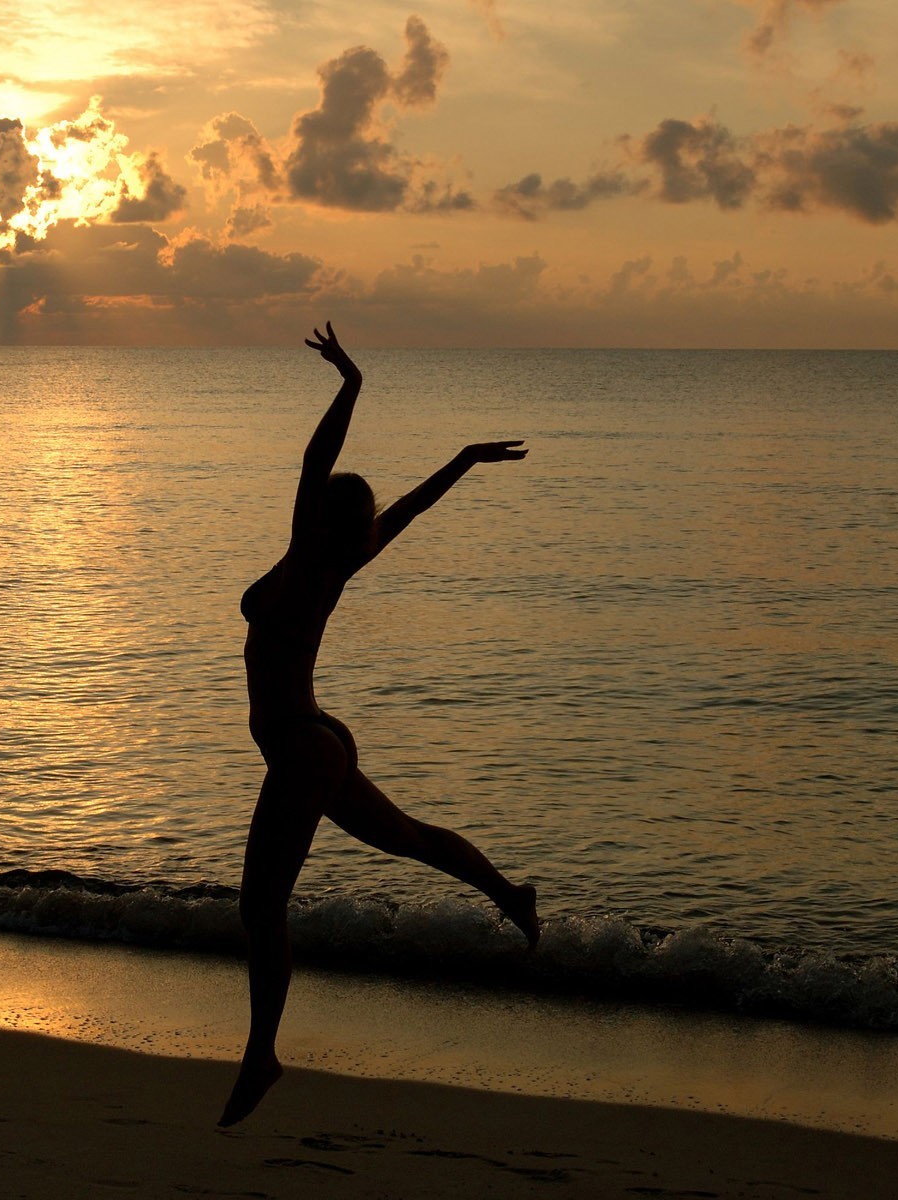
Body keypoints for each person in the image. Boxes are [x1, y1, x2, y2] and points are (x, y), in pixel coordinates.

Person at [220, 322, 540, 1128]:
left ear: (320, 517)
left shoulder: (307, 556)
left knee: (262, 907)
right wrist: (463, 460)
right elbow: (409, 507)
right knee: (406, 836)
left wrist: (351, 385)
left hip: (302, 748)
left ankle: (262, 1057)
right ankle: (511, 894)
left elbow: (314, 462)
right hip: (314, 739)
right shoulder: (339, 561)